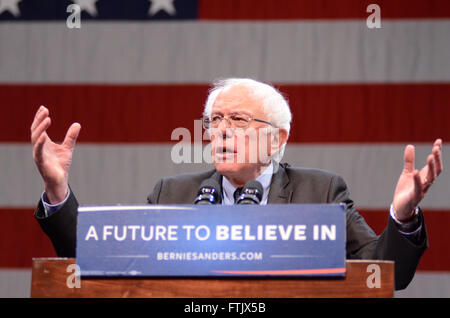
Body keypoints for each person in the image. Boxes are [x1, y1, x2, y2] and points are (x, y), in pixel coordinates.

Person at [31, 78, 443, 290]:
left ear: (278, 138)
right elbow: (100, 264)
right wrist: (57, 192)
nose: (220, 132)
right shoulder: (171, 194)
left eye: (239, 121)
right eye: (215, 122)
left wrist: (402, 216)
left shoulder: (321, 192)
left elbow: (384, 272)